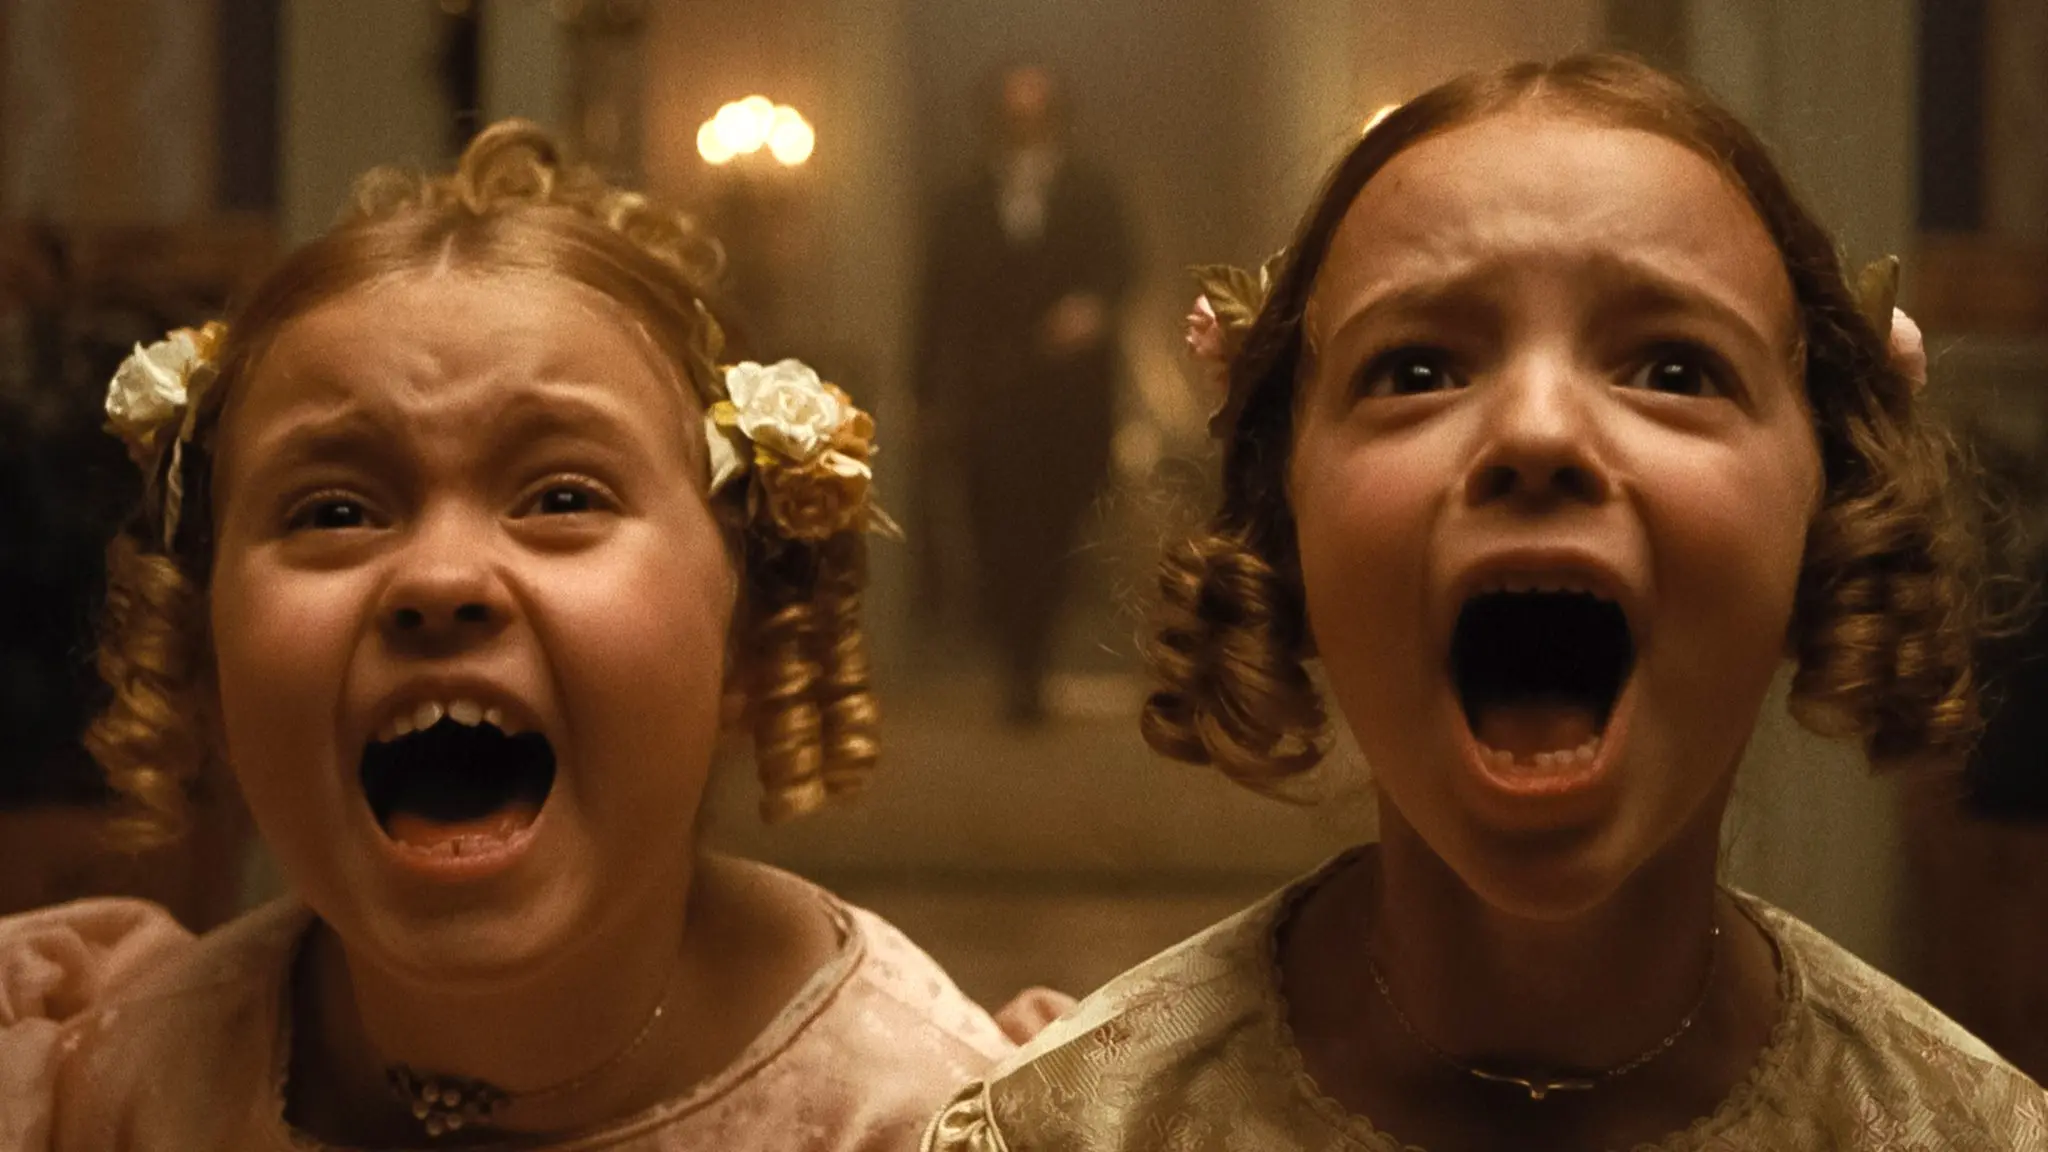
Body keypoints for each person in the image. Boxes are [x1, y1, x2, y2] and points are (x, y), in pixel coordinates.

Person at [926, 54, 2048, 1150]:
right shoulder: (1067, 1130)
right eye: (1417, 371)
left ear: (1829, 520)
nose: (1536, 432)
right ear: (1281, 524)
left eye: (1672, 369)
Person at [0, 121, 1018, 1150]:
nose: (440, 580)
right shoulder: (103, 1095)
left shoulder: (919, 1119)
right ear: (203, 662)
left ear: (749, 631)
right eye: (335, 512)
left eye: (562, 496)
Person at [912, 63, 1135, 724]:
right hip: (991, 398)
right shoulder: (963, 201)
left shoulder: (1092, 192)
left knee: (1059, 526)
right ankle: (1018, 665)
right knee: (995, 526)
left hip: (1071, 401)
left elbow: (1123, 268)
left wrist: (1091, 310)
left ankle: (1033, 657)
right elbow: (935, 301)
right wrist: (924, 391)